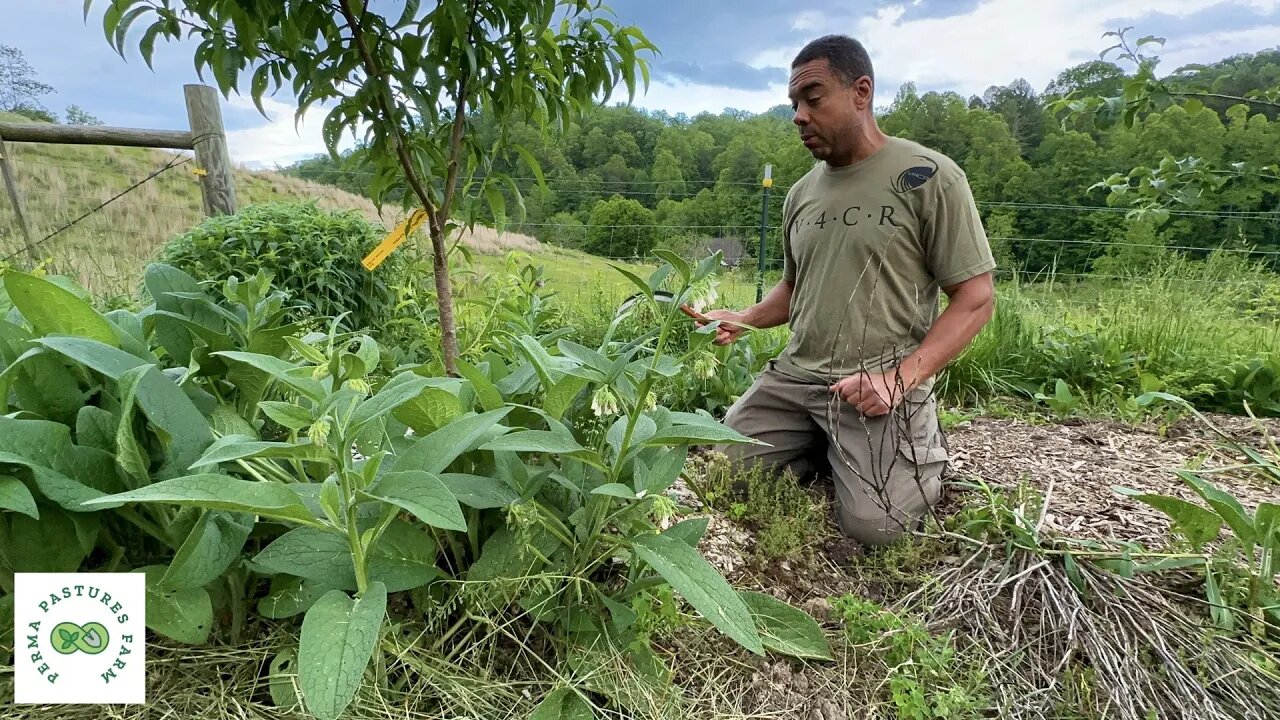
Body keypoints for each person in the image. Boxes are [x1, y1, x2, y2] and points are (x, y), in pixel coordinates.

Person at [702, 35, 996, 547]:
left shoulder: (929, 177)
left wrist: (900, 379)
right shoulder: (801, 193)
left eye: (813, 99)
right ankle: (824, 443)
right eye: (794, 103)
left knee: (878, 529)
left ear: (861, 92)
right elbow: (795, 289)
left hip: (876, 383)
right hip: (795, 379)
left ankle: (920, 449)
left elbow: (975, 297)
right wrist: (745, 318)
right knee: (722, 478)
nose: (798, 115)